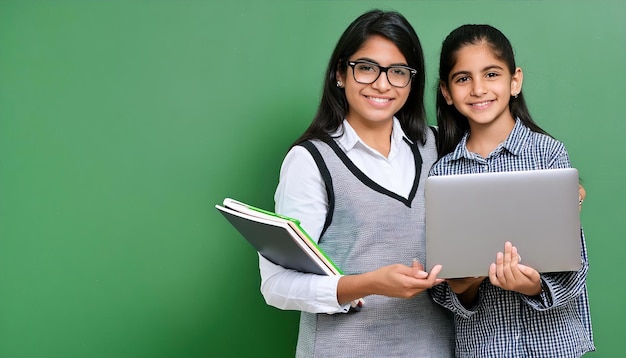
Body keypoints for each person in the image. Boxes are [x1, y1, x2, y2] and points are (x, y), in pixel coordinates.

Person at [258, 9, 455, 357]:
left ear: (412, 81)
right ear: (339, 73)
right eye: (366, 68)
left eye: (398, 72)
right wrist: (370, 283)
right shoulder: (311, 161)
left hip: (433, 348)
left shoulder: (439, 146)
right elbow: (276, 285)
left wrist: (567, 191)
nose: (382, 84)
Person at [429, 24, 595, 357]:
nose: (478, 89)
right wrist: (466, 284)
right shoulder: (443, 173)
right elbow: (444, 291)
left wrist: (531, 285)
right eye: (463, 79)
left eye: (491, 74)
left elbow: (574, 262)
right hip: (484, 348)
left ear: (514, 81)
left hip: (554, 346)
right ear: (447, 92)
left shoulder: (549, 154)